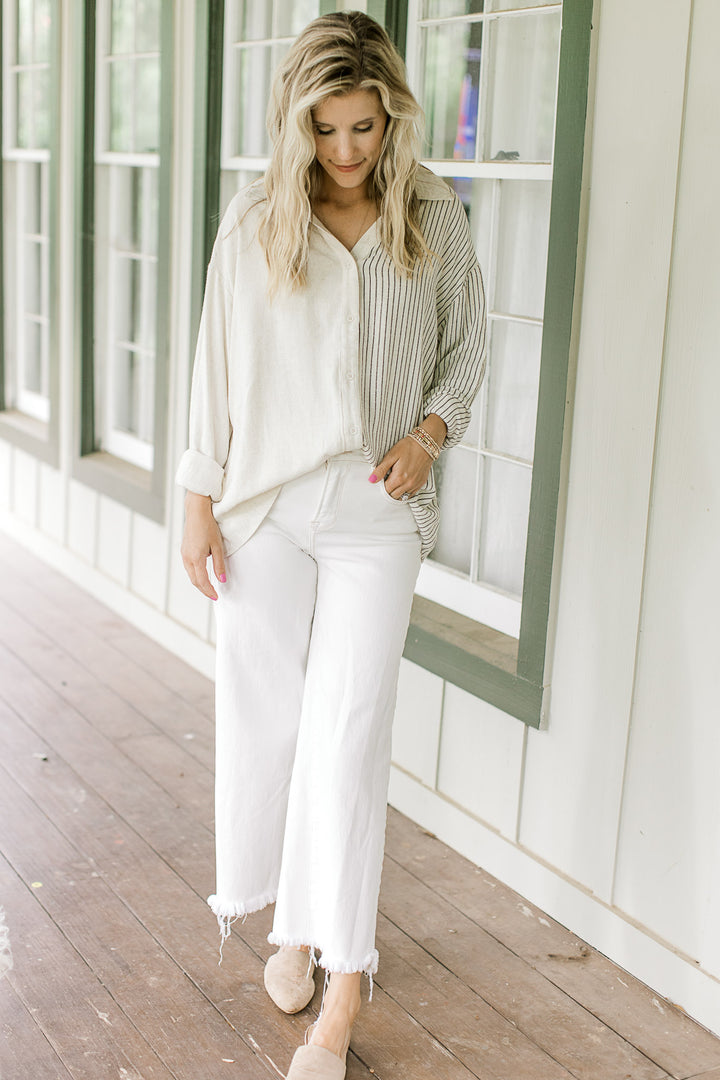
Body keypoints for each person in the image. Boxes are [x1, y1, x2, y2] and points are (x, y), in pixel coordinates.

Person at [176, 11, 486, 1079]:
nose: (347, 151)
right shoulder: (257, 219)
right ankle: (292, 929)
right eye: (328, 129)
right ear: (296, 124)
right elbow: (215, 365)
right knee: (270, 723)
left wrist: (430, 434)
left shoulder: (434, 217)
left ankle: (341, 991)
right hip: (264, 505)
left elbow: (467, 348)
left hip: (374, 512)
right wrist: (194, 498)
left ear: (391, 117)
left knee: (348, 738)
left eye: (364, 127)